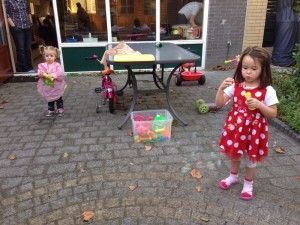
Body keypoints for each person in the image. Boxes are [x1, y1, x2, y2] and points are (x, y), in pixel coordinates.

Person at [215, 46, 279, 200]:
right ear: (240, 67)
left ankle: (248, 184)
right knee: (235, 155)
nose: (248, 72)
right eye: (245, 67)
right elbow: (219, 104)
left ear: (263, 70)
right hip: (236, 129)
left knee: (250, 159)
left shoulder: (267, 90)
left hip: (254, 132)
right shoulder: (236, 86)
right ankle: (233, 176)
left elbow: (273, 113)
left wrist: (259, 105)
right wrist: (220, 88)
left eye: (253, 68)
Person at [4, 0, 34, 72]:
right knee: (21, 49)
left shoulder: (25, 1)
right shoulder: (8, 1)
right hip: (17, 28)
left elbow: (28, 12)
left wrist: (31, 23)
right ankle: (24, 69)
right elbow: (6, 14)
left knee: (27, 48)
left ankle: (30, 67)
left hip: (27, 27)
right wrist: (13, 26)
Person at [37, 46, 67, 117]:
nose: (49, 57)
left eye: (51, 56)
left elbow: (60, 73)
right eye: (47, 56)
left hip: (56, 85)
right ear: (44, 56)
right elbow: (39, 72)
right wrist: (43, 74)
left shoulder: (57, 65)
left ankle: (60, 108)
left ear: (55, 56)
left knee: (58, 97)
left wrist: (53, 75)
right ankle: (51, 109)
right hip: (47, 85)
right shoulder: (42, 65)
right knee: (49, 97)